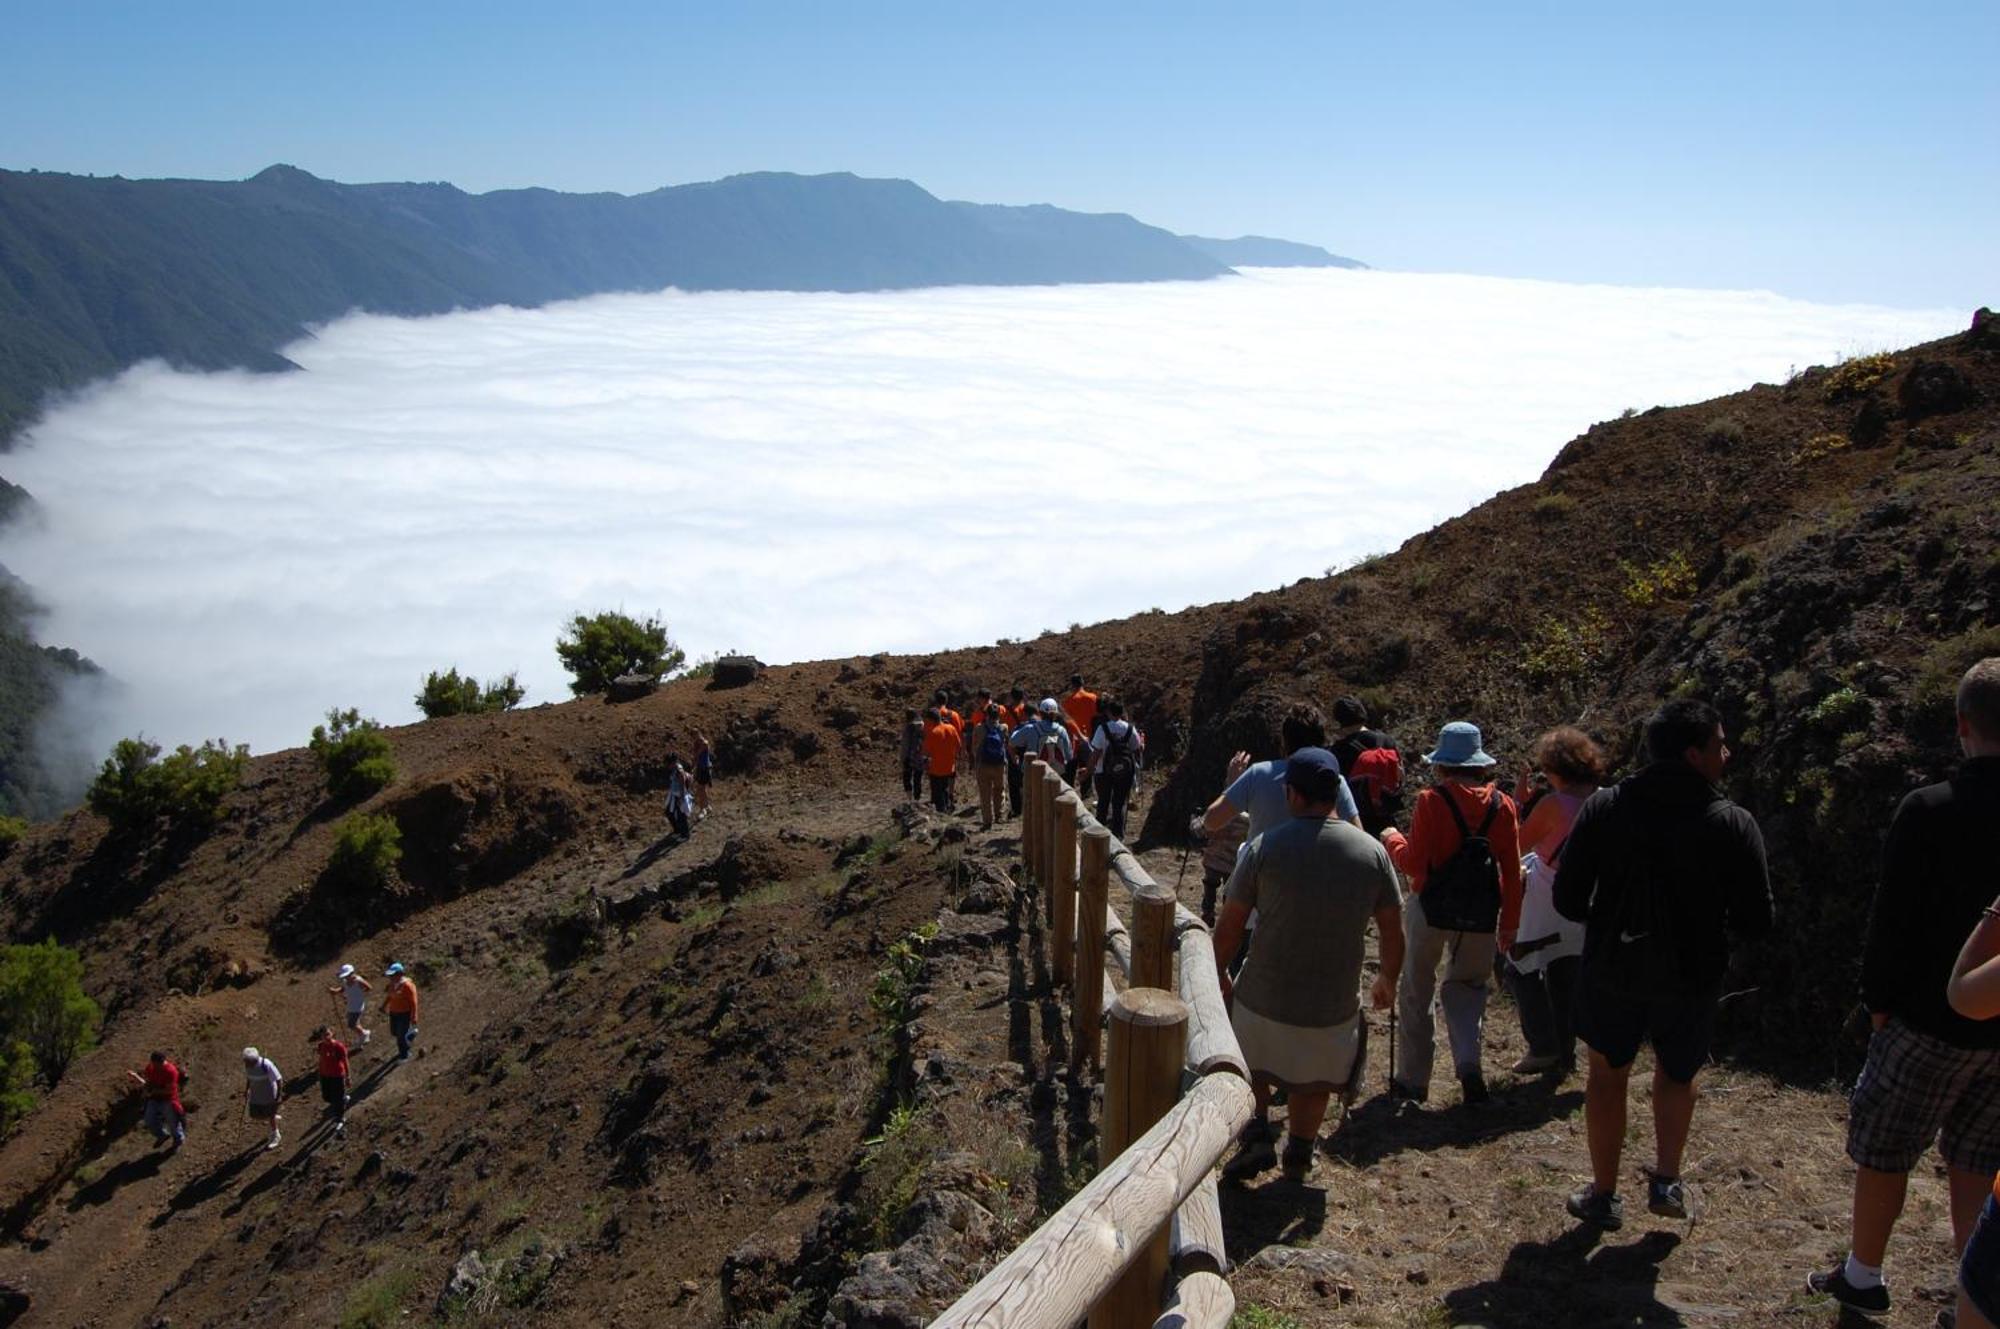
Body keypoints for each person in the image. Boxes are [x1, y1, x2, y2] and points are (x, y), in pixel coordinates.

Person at [1808, 658, 2000, 1318]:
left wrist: (1878, 1001)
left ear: (1962, 725)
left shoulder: (1929, 809)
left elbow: (1892, 918)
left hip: (1924, 1017)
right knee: (1980, 1157)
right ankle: (1973, 1289)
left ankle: (1863, 1272)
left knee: (1886, 1149)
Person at [1555, 698, 1771, 1230]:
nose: (1728, 751)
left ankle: (1604, 1195)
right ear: (1695, 754)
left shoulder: (1606, 808)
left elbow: (1567, 896)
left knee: (1607, 1075)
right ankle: (1667, 1179)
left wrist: (1609, 923)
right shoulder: (1732, 822)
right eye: (1720, 743)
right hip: (1692, 973)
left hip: (1612, 967)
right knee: (1677, 1074)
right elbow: (1757, 919)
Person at [1213, 748, 1405, 1183]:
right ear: (1337, 790)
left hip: (1264, 995)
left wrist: (1219, 971)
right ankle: (1300, 1148)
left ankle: (1258, 1129)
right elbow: (1393, 930)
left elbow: (1230, 925)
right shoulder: (1372, 853)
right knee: (1315, 1079)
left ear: (1292, 794)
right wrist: (1388, 977)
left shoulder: (1263, 847)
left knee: (1253, 1064)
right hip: (1332, 1002)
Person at [1381, 721, 1522, 1107]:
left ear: (1442, 765)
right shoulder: (1504, 806)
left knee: (1417, 988)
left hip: (1430, 908)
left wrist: (1392, 839)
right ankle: (1469, 1065)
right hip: (1480, 912)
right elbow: (1511, 871)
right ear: (1480, 765)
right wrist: (1509, 923)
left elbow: (1414, 863)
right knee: (1468, 989)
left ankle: (1413, 1080)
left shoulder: (1431, 801)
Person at [1503, 727, 1606, 1075]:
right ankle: (1565, 1051)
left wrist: (1518, 803)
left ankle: (1543, 1047)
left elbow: (1516, 844)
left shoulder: (1553, 804)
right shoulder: (1604, 798)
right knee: (1565, 973)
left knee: (1519, 966)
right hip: (1587, 899)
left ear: (1555, 769)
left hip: (1548, 898)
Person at [1199, 703, 1360, 841]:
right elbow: (1358, 836)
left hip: (1263, 870)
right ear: (1322, 742)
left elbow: (1211, 821)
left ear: (1284, 741)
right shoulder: (1335, 781)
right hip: (1315, 872)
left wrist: (1232, 784)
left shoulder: (1258, 774)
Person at [1330, 696, 1402, 835]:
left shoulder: (1338, 750)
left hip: (1357, 825)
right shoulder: (1386, 741)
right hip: (1387, 820)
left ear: (1339, 720)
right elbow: (1400, 776)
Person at [1090, 698, 1143, 839]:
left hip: (1103, 771)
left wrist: (1089, 770)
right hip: (1124, 771)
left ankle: (1098, 834)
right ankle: (1118, 835)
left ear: (1108, 712)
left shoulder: (1102, 728)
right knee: (1120, 803)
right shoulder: (1130, 728)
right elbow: (1137, 749)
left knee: (1103, 802)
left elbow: (1096, 752)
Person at [1191, 809, 1249, 928]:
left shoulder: (1218, 814)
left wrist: (1194, 819)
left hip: (1213, 860)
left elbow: (1199, 831)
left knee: (1210, 886)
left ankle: (1208, 914)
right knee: (1229, 893)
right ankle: (1227, 919)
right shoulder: (1248, 820)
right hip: (1233, 864)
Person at [125, 1051, 187, 1149]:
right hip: (154, 1098)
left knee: (172, 1121)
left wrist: (152, 1091)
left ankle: (178, 1139)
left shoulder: (171, 1071)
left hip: (168, 1099)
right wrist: (136, 1076)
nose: (154, 1066)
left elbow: (168, 1090)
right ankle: (162, 1135)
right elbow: (148, 1083)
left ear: (161, 1062)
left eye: (156, 1064)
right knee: (149, 1119)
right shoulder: (151, 1068)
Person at [1010, 699, 1074, 788]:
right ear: (1056, 714)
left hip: (1034, 775)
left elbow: (1012, 741)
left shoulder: (1030, 729)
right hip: (1055, 775)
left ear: (1040, 713)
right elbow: (1069, 756)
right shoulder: (1061, 730)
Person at [972, 704, 1011, 829]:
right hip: (999, 764)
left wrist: (977, 760)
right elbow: (1007, 743)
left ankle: (987, 821)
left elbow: (974, 746)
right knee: (999, 790)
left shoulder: (979, 728)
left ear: (986, 715)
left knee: (985, 793)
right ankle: (999, 815)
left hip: (983, 764)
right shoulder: (1004, 727)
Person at [1062, 676, 1100, 795]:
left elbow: (1066, 721)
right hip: (1090, 737)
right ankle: (1086, 793)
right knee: (1087, 765)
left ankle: (1068, 794)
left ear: (1072, 685)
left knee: (1070, 769)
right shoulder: (1093, 698)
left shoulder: (1068, 701)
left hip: (1073, 739)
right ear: (1083, 683)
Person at [242, 1046, 284, 1150]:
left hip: (268, 1094)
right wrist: (247, 1089)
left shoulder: (266, 1065)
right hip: (256, 1094)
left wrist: (278, 1096)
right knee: (256, 1115)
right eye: (245, 1061)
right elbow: (249, 1077)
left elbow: (279, 1079)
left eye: (247, 1061)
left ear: (254, 1060)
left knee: (269, 1115)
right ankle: (272, 1116)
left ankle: (276, 1135)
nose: (245, 1064)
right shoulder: (249, 1066)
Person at [922, 706, 961, 813]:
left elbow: (925, 752)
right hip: (949, 766)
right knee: (945, 789)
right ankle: (948, 807)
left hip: (936, 768)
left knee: (937, 793)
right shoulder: (951, 728)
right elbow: (958, 745)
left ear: (930, 719)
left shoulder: (932, 732)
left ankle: (942, 813)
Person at [311, 1025, 351, 1130]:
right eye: (324, 1035)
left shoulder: (339, 1046)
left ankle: (340, 1118)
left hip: (337, 1075)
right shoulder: (321, 1046)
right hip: (325, 1076)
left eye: (328, 1034)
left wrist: (347, 1076)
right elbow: (321, 1060)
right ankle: (343, 1100)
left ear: (332, 1033)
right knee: (327, 1097)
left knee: (337, 1099)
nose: (326, 1037)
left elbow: (345, 1061)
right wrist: (320, 1073)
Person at [382, 962, 421, 1060]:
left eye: (393, 975)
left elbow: (414, 1002)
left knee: (400, 1037)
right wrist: (384, 1006)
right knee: (394, 1032)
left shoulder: (407, 986)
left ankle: (405, 1055)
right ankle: (410, 1034)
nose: (390, 977)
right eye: (390, 975)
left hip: (404, 1013)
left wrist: (414, 1015)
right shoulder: (392, 984)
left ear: (400, 974)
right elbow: (390, 996)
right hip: (393, 1013)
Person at [328, 963, 372, 1047]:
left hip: (358, 1006)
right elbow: (343, 988)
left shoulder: (358, 981)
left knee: (351, 1024)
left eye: (348, 975)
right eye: (345, 976)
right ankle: (364, 1034)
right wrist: (335, 991)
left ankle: (364, 1035)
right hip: (351, 1005)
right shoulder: (345, 981)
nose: (346, 977)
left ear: (352, 973)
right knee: (355, 1022)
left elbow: (369, 987)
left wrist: (361, 993)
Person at [900, 709, 927, 801]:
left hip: (909, 756)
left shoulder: (908, 728)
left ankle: (910, 799)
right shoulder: (923, 726)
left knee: (907, 777)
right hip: (920, 756)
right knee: (917, 778)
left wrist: (902, 758)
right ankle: (917, 798)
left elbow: (905, 744)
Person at [665, 757, 694, 838]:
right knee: (669, 812)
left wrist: (681, 799)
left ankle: (685, 835)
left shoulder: (679, 771)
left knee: (681, 815)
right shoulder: (674, 769)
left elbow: (682, 786)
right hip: (674, 795)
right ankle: (677, 830)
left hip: (680, 796)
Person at [693, 731, 714, 820]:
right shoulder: (697, 744)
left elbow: (697, 754)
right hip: (700, 769)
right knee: (702, 789)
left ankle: (703, 810)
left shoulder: (704, 743)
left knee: (700, 789)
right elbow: (696, 757)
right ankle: (707, 806)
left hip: (705, 769)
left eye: (696, 735)